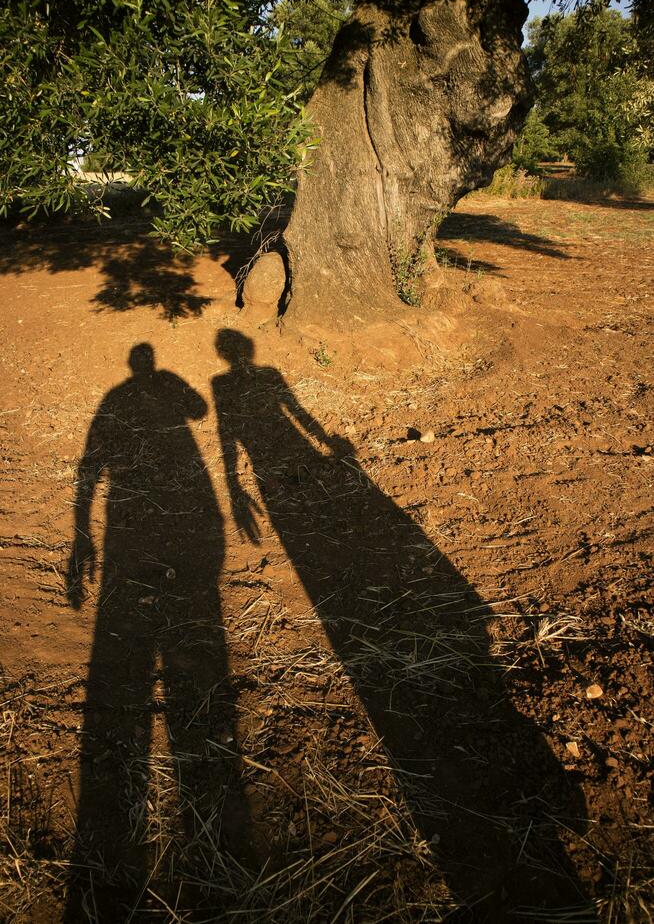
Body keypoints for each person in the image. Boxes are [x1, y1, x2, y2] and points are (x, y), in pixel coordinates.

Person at [212, 328, 592, 920]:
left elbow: (284, 419)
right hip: (281, 469)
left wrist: (251, 474)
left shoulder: (243, 382)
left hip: (277, 467)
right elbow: (289, 420)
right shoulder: (244, 381)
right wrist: (281, 464)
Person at [66, 343, 244, 920]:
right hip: (174, 506)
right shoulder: (156, 388)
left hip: (135, 515)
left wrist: (81, 534)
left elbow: (92, 464)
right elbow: (198, 410)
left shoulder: (117, 398)